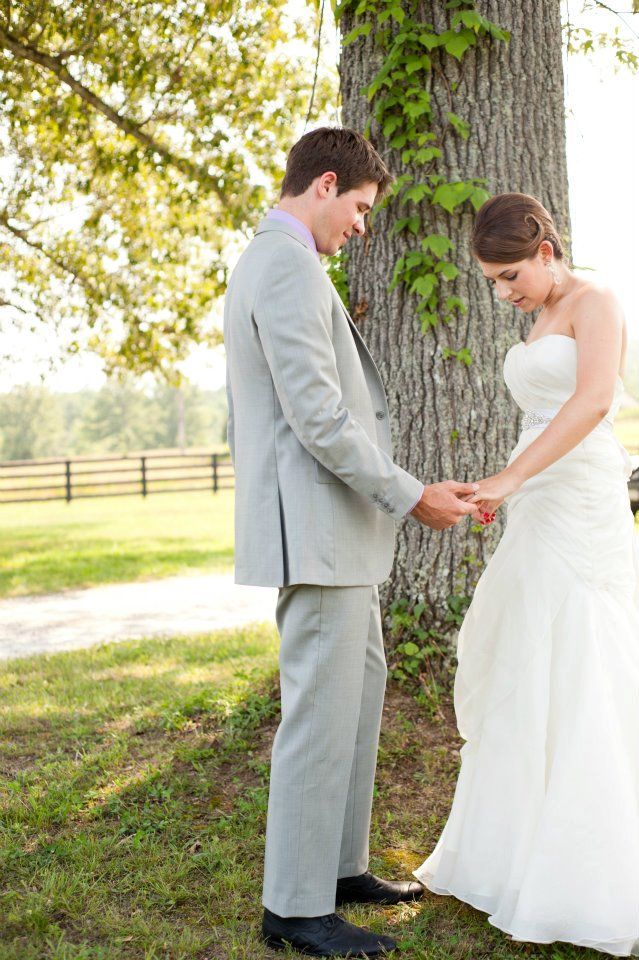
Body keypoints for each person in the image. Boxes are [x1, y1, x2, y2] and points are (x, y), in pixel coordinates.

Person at [224, 126, 479, 957]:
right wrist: (411, 496)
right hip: (318, 532)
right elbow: (319, 418)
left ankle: (336, 868)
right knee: (319, 717)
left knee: (357, 699)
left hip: (340, 534)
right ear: (326, 184)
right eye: (362, 208)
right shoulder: (284, 263)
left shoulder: (289, 262)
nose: (363, 226)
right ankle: (293, 909)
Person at [414, 192, 639, 956]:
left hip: (578, 500)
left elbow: (592, 402)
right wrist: (503, 488)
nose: (503, 292)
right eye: (492, 281)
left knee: (583, 652)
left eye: (510, 275)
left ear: (545, 251)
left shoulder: (594, 299)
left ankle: (585, 867)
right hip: (538, 500)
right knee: (525, 653)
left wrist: (509, 478)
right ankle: (507, 851)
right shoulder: (541, 316)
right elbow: (539, 416)